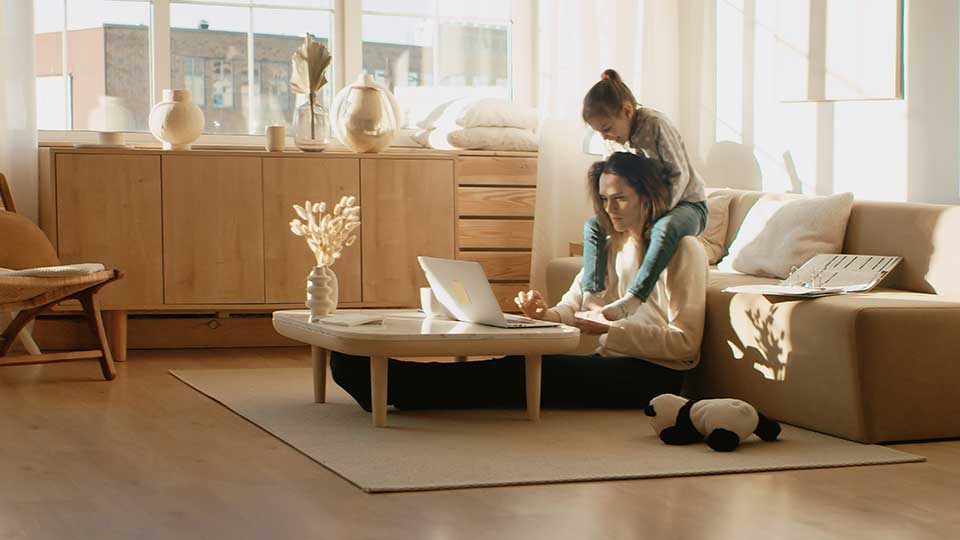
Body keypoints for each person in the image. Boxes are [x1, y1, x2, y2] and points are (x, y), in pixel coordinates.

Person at [329, 152, 708, 412]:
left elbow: (685, 345)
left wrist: (608, 330)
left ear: (648, 198)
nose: (610, 209)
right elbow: (573, 307)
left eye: (621, 199)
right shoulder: (609, 247)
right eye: (605, 199)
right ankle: (401, 384)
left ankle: (399, 387)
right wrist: (546, 313)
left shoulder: (683, 251)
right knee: (523, 362)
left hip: (654, 378)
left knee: (526, 374)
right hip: (611, 361)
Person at [581, 68, 708, 321]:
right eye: (599, 132)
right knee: (593, 225)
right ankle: (592, 293)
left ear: (627, 111)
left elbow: (679, 175)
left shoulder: (656, 125)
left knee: (664, 228)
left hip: (686, 204)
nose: (605, 136)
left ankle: (635, 297)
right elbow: (613, 176)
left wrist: (653, 214)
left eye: (607, 128)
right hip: (644, 208)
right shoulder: (613, 139)